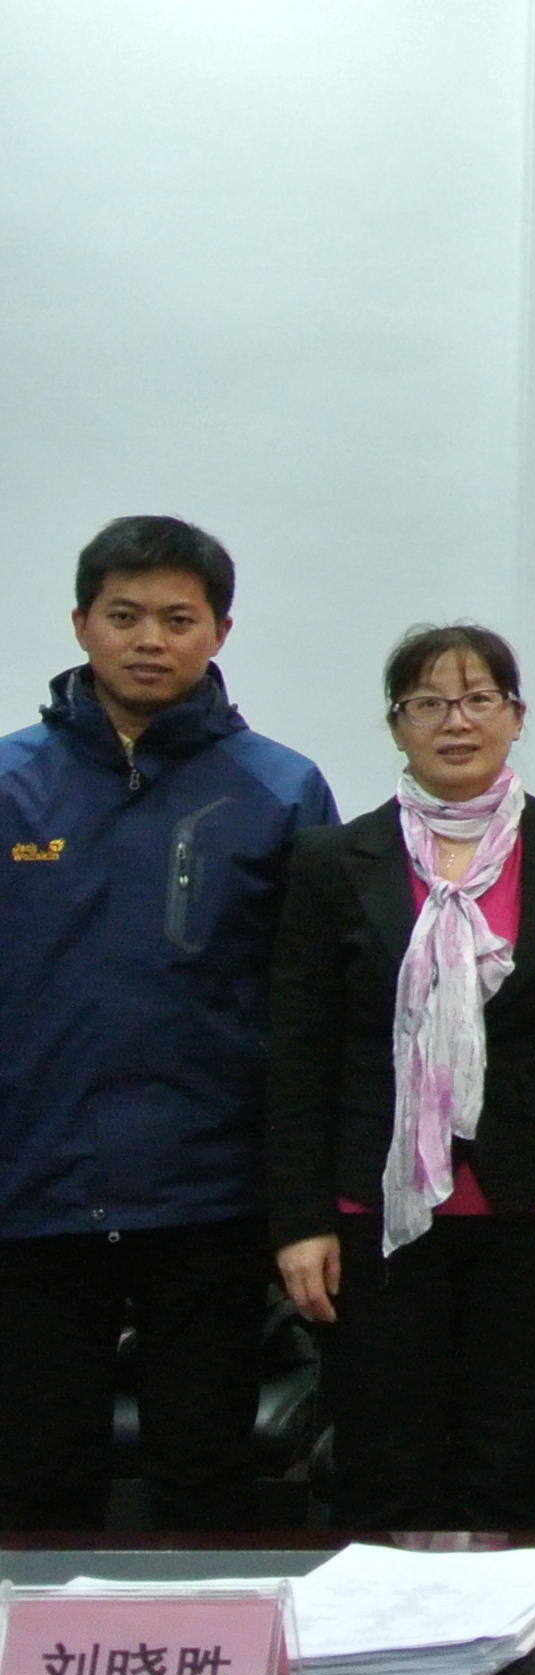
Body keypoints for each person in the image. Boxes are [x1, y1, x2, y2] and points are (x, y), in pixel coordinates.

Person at [264, 624, 535, 1530]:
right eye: (428, 703)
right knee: (385, 1466)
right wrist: (300, 1220)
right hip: (376, 1214)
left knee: (510, 1462)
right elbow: (299, 1052)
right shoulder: (334, 860)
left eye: (479, 700)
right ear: (396, 725)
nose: (456, 722)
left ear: (517, 716)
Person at [0, 516, 336, 1529]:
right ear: (81, 624)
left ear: (219, 633)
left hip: (209, 1197)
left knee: (205, 1478)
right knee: (34, 1480)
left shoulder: (279, 789)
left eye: (178, 619)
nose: (150, 639)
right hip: (33, 1190)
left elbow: (315, 1008)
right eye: (125, 616)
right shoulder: (12, 786)